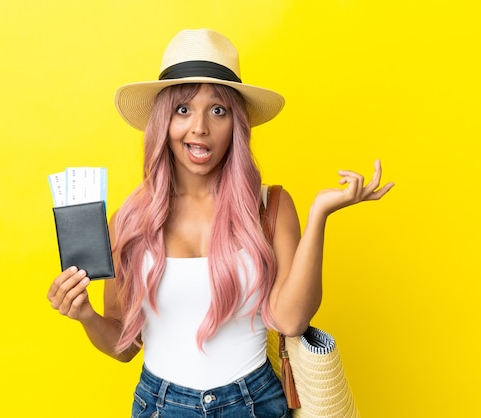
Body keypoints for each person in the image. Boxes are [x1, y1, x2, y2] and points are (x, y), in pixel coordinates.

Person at [47, 29, 393, 417]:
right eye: (183, 110)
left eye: (217, 110)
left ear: (237, 125)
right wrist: (86, 316)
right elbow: (124, 347)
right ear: (163, 122)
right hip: (161, 406)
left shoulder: (270, 207)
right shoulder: (129, 222)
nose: (199, 127)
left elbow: (292, 320)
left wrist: (319, 215)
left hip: (255, 403)